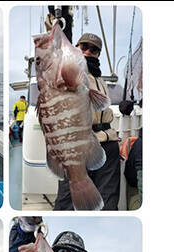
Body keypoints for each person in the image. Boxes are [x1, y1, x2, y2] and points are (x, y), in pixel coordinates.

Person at [51, 32, 122, 211]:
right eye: (84, 47)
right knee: (67, 198)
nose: (88, 52)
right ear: (75, 48)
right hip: (79, 143)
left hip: (108, 141)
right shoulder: (68, 71)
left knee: (108, 197)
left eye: (94, 50)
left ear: (98, 54)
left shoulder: (100, 79)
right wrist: (58, 26)